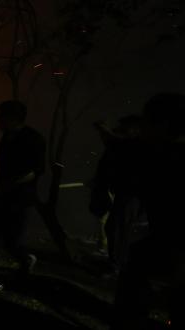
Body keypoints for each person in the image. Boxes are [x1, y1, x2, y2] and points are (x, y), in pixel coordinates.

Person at [112, 93, 185, 330]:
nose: (141, 129)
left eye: (146, 122)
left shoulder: (168, 159)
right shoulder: (161, 155)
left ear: (162, 124)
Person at [0, 100, 45, 293]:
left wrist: (12, 184)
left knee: (11, 243)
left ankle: (26, 259)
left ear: (12, 118)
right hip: (0, 196)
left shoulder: (33, 138)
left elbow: (37, 170)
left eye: (1, 117)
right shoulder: (7, 136)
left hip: (20, 199)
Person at [89, 115, 144, 270]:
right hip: (121, 192)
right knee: (114, 226)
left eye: (126, 126)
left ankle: (117, 264)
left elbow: (114, 143)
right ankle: (116, 261)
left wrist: (103, 129)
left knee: (118, 227)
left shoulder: (136, 145)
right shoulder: (124, 146)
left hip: (131, 194)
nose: (121, 129)